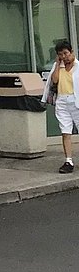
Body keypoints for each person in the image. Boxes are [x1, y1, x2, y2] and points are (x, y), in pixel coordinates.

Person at [47, 39, 78, 173]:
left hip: (75, 100)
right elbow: (54, 80)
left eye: (65, 53)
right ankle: (68, 161)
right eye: (60, 54)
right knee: (65, 132)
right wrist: (58, 65)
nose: (64, 57)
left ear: (71, 52)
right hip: (62, 101)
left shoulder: (78, 66)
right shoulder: (58, 66)